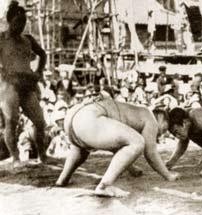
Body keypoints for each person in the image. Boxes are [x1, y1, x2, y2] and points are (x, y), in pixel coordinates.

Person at [55, 97, 179, 197]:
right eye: (164, 128)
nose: (161, 133)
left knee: (80, 148)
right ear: (161, 117)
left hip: (74, 118)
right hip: (90, 117)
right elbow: (150, 153)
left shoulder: (133, 114)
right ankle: (104, 186)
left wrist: (132, 169)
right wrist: (168, 176)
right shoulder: (149, 117)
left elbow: (117, 146)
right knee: (137, 142)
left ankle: (62, 179)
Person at [0, 1, 47, 167]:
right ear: (9, 20)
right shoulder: (1, 39)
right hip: (9, 84)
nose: (20, 25)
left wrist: (39, 72)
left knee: (40, 122)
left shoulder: (28, 39)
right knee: (11, 120)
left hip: (27, 83)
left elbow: (42, 54)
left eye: (23, 22)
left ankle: (42, 155)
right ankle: (16, 158)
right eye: (17, 22)